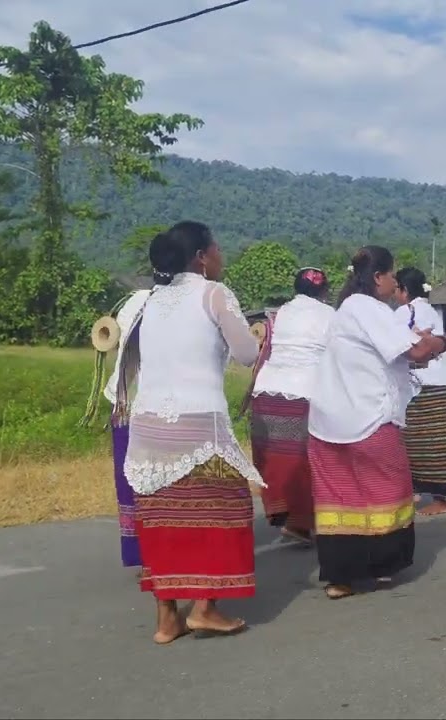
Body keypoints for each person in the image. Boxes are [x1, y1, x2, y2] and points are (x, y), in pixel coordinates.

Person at [115, 221, 260, 644]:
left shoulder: (149, 299)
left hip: (148, 427)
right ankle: (205, 608)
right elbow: (247, 354)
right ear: (202, 256)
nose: (220, 254)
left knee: (163, 520)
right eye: (217, 247)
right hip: (199, 426)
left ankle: (166, 620)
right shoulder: (214, 294)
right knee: (222, 514)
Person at [306, 246, 446, 599]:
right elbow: (414, 351)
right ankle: (380, 565)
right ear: (378, 277)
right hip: (366, 416)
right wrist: (444, 342)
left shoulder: (344, 311)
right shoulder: (369, 308)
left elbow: (391, 357)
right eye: (391, 274)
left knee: (340, 496)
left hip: (326, 421)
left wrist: (426, 347)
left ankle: (340, 576)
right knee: (387, 486)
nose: (395, 281)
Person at [244, 267, 336, 543]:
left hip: (267, 392)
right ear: (323, 291)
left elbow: (266, 352)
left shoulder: (279, 313)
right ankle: (302, 522)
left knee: (275, 460)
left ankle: (286, 514)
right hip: (304, 393)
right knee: (308, 462)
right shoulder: (331, 315)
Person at [393, 267, 446, 516]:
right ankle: (419, 490)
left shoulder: (405, 312)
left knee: (419, 441)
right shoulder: (431, 310)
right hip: (440, 381)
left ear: (404, 290)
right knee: (432, 441)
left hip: (423, 383)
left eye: (397, 288)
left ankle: (439, 499)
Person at [102, 287, 152, 570]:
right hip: (148, 406)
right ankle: (155, 553)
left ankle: (143, 552)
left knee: (131, 480)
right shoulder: (177, 302)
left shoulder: (134, 300)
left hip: (127, 401)